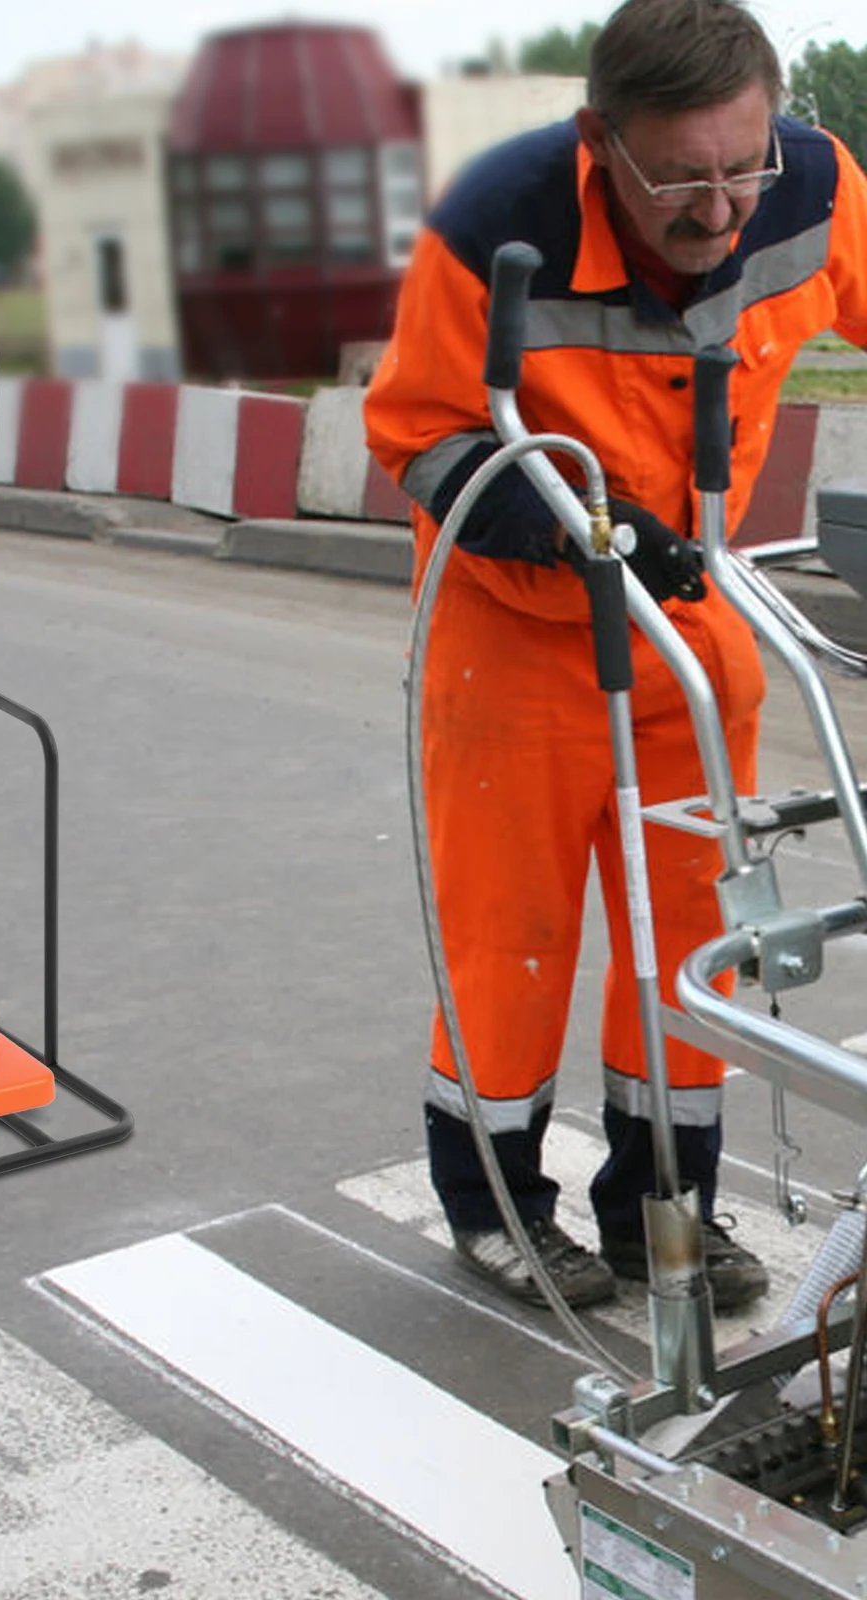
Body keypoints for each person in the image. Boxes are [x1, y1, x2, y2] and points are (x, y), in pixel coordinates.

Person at [364, 0, 867, 1312]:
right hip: (512, 636)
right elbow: (418, 432)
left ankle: (666, 1221)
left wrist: (659, 555)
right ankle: (498, 1211)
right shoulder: (492, 221)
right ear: (602, 142)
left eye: (740, 167)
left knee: (697, 944)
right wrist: (581, 529)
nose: (721, 210)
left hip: (692, 622)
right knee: (514, 947)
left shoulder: (811, 186)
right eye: (681, 179)